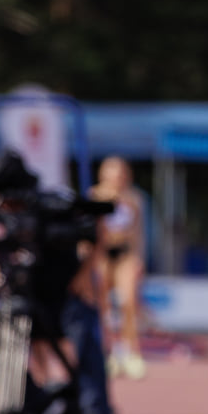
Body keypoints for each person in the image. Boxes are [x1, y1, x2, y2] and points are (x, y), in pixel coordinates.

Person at [86, 156, 147, 381]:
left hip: (125, 255)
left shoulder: (134, 198)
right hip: (102, 255)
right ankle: (109, 351)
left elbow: (138, 233)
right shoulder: (94, 196)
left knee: (130, 301)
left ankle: (131, 351)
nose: (117, 178)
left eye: (121, 173)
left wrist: (140, 260)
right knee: (103, 306)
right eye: (112, 173)